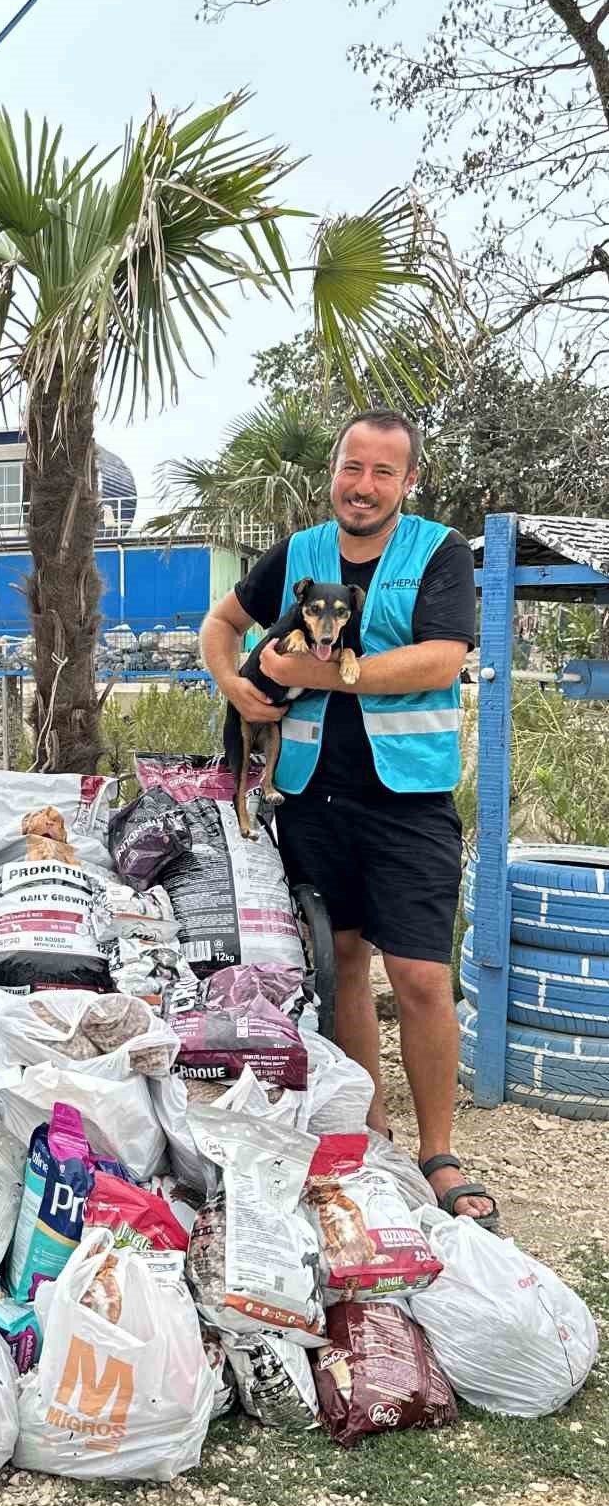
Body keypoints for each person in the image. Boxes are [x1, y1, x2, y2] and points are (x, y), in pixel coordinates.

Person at [201, 408, 496, 1225]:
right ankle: (370, 1134)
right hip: (309, 794)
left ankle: (437, 1152)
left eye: (381, 472)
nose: (362, 487)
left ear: (406, 482)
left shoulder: (435, 551)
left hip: (407, 797)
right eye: (350, 468)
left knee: (423, 977)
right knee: (341, 966)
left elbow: (441, 657)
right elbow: (221, 625)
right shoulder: (296, 554)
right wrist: (232, 683)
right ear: (332, 472)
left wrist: (315, 674)